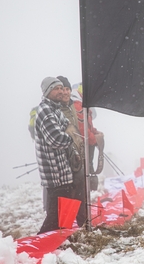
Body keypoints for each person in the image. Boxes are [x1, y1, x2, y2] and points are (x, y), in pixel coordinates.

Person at [34, 77, 74, 234]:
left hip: (62, 171)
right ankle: (42, 243)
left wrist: (69, 133)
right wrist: (71, 138)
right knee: (54, 215)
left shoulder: (56, 109)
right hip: (53, 172)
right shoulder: (45, 111)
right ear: (48, 91)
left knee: (64, 210)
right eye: (56, 88)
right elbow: (56, 139)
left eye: (62, 88)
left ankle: (60, 238)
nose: (61, 91)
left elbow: (69, 126)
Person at [57, 76, 86, 227]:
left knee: (80, 191)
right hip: (64, 158)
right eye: (62, 89)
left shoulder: (71, 106)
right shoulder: (56, 109)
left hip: (76, 157)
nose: (65, 92)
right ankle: (64, 226)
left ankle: (83, 222)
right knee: (69, 193)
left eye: (67, 89)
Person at [71, 83, 104, 190]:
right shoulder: (78, 105)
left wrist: (95, 132)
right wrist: (95, 139)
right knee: (86, 171)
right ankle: (86, 195)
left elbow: (87, 125)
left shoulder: (80, 104)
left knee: (86, 172)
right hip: (84, 147)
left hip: (83, 146)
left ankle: (87, 194)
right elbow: (82, 130)